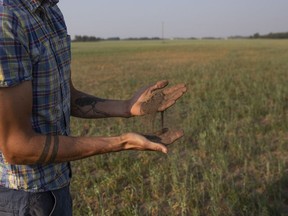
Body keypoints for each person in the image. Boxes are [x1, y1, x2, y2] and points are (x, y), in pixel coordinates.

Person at [0, 0, 187, 215]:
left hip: (57, 185)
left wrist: (127, 107)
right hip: (22, 198)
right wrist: (122, 142)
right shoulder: (7, 19)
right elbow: (17, 147)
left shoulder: (51, 13)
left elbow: (66, 96)